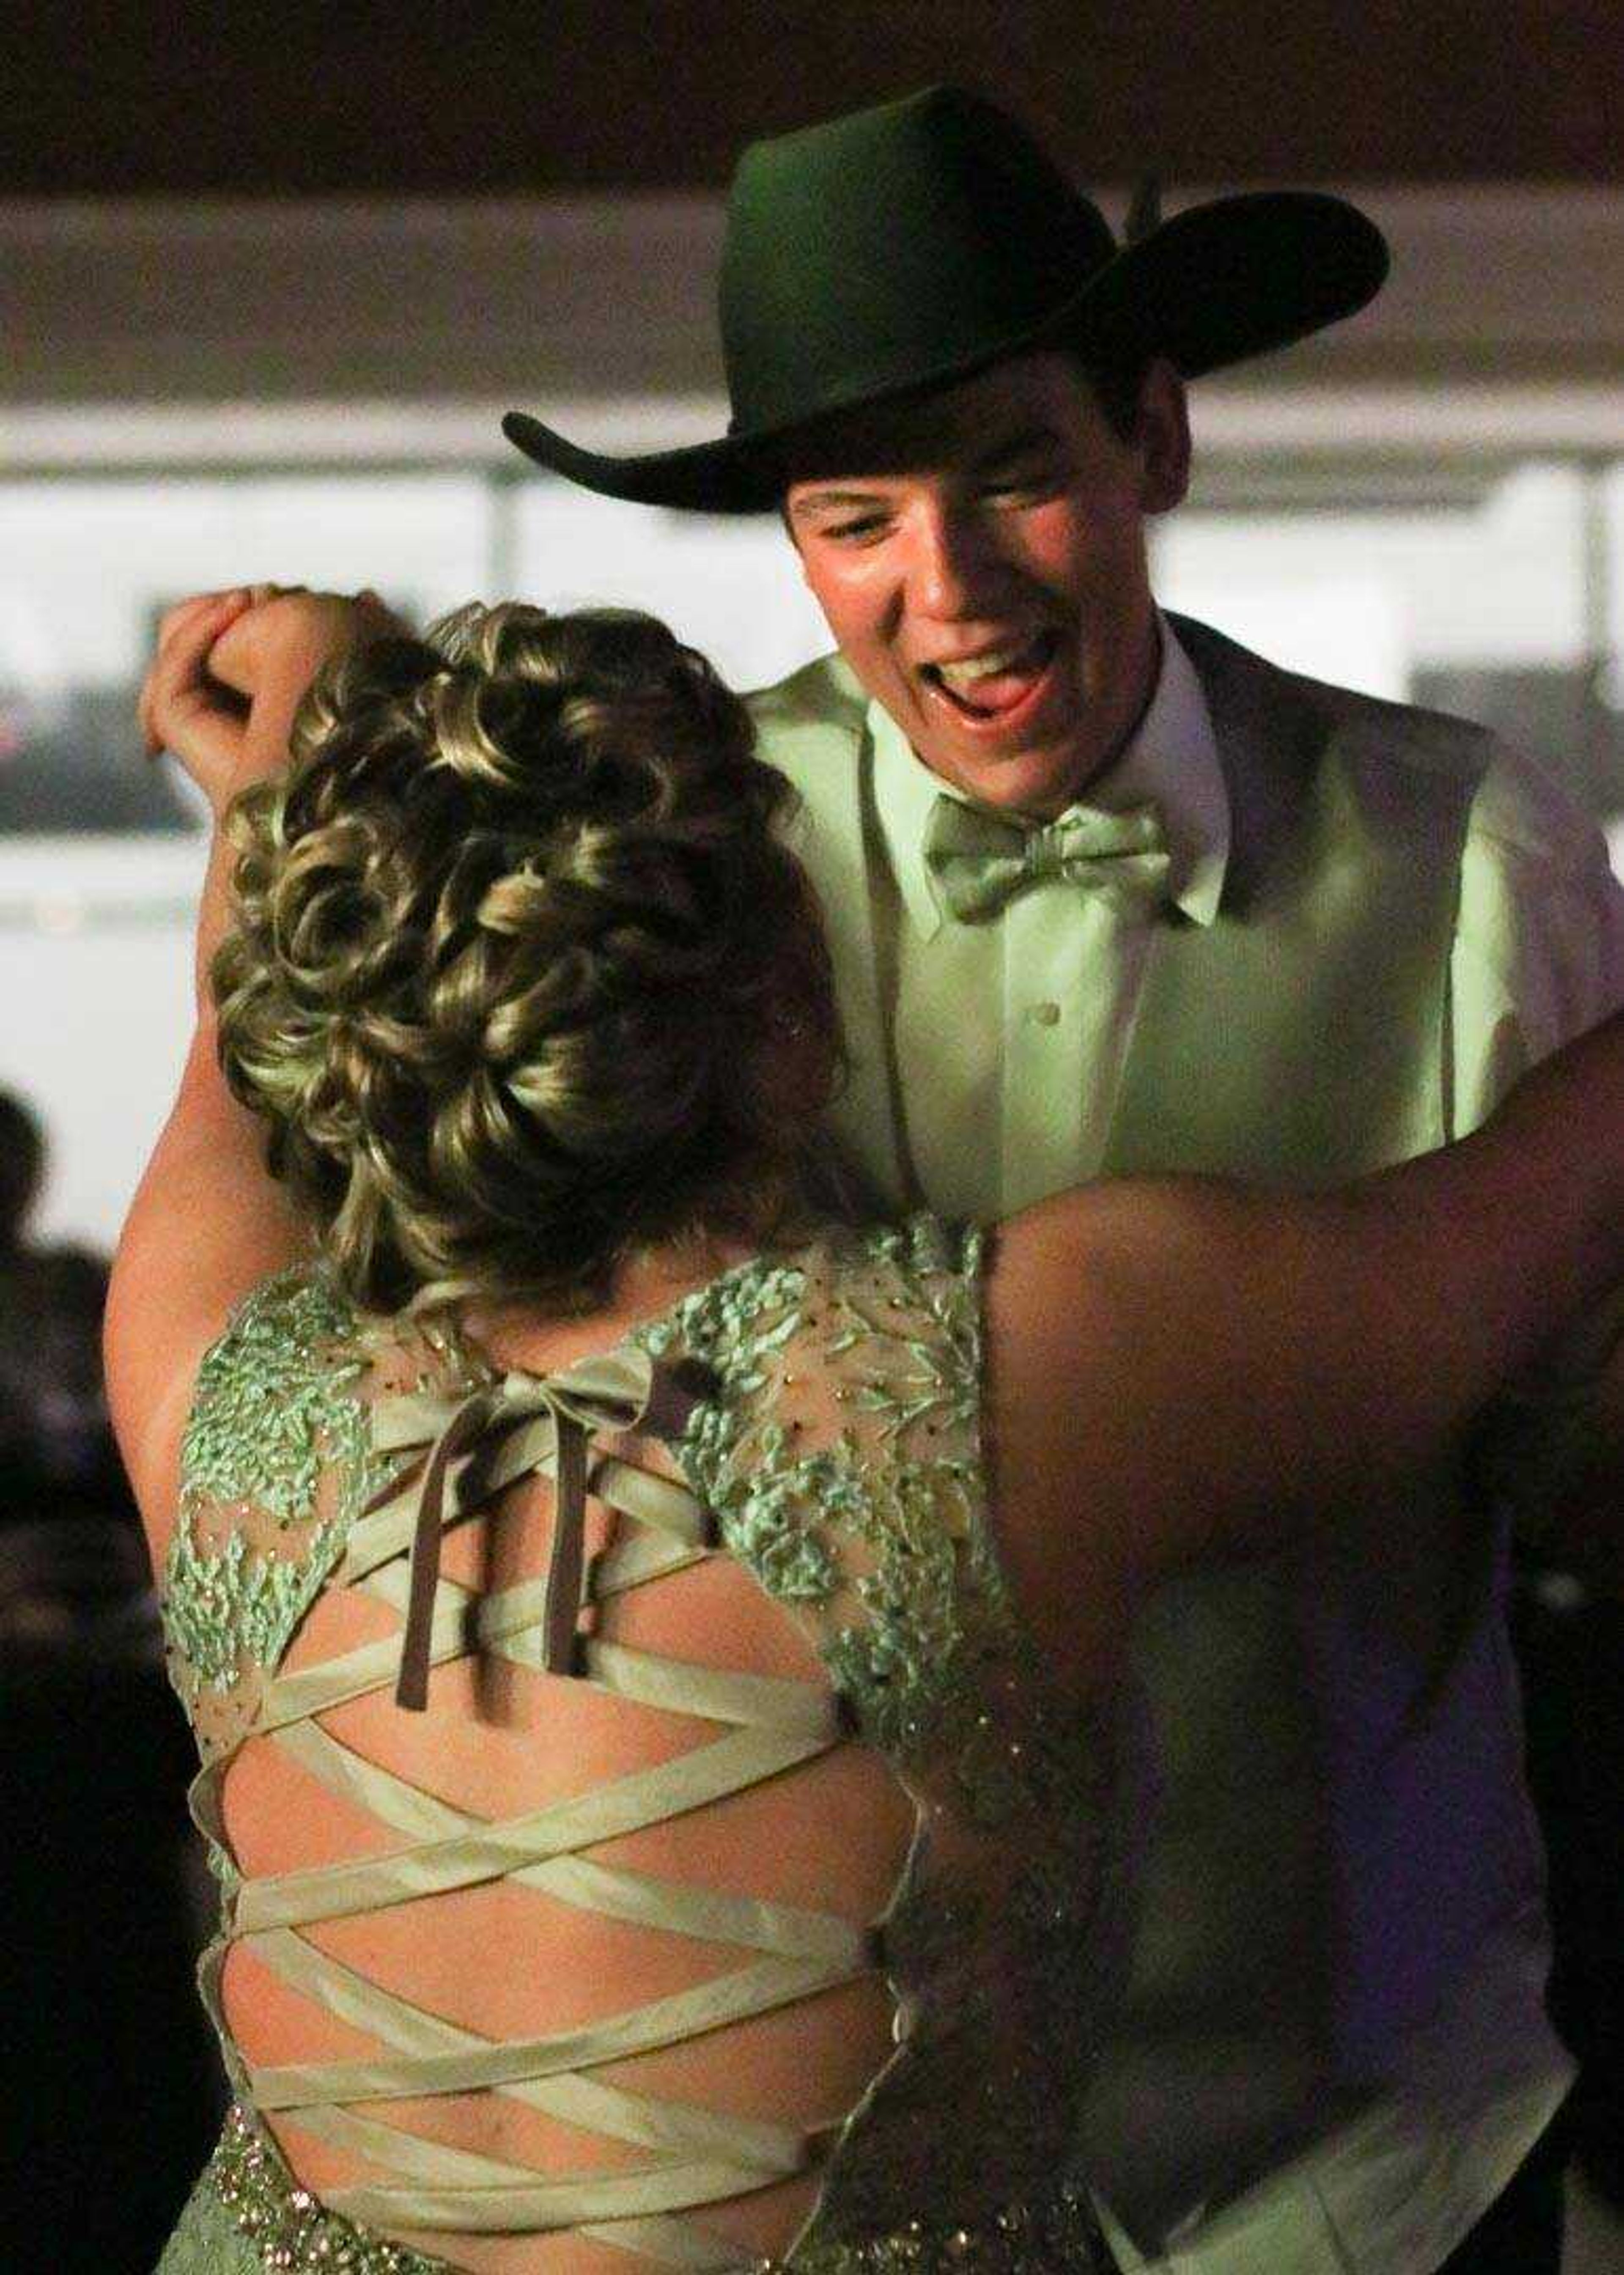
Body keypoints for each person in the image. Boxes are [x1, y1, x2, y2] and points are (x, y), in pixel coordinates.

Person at [112, 587, 1624, 2275]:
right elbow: (1524, 1221)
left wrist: (280, 773)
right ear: (782, 1018)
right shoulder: (1018, 1381)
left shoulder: (202, 1389)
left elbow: (225, 1076)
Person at [499, 86, 1624, 2271]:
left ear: (1153, 443)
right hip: (816, 2177)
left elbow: (1590, 1450)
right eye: (855, 518)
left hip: (1369, 2163)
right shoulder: (670, 867)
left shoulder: (1471, 848)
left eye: (1015, 472)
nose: (953, 588)